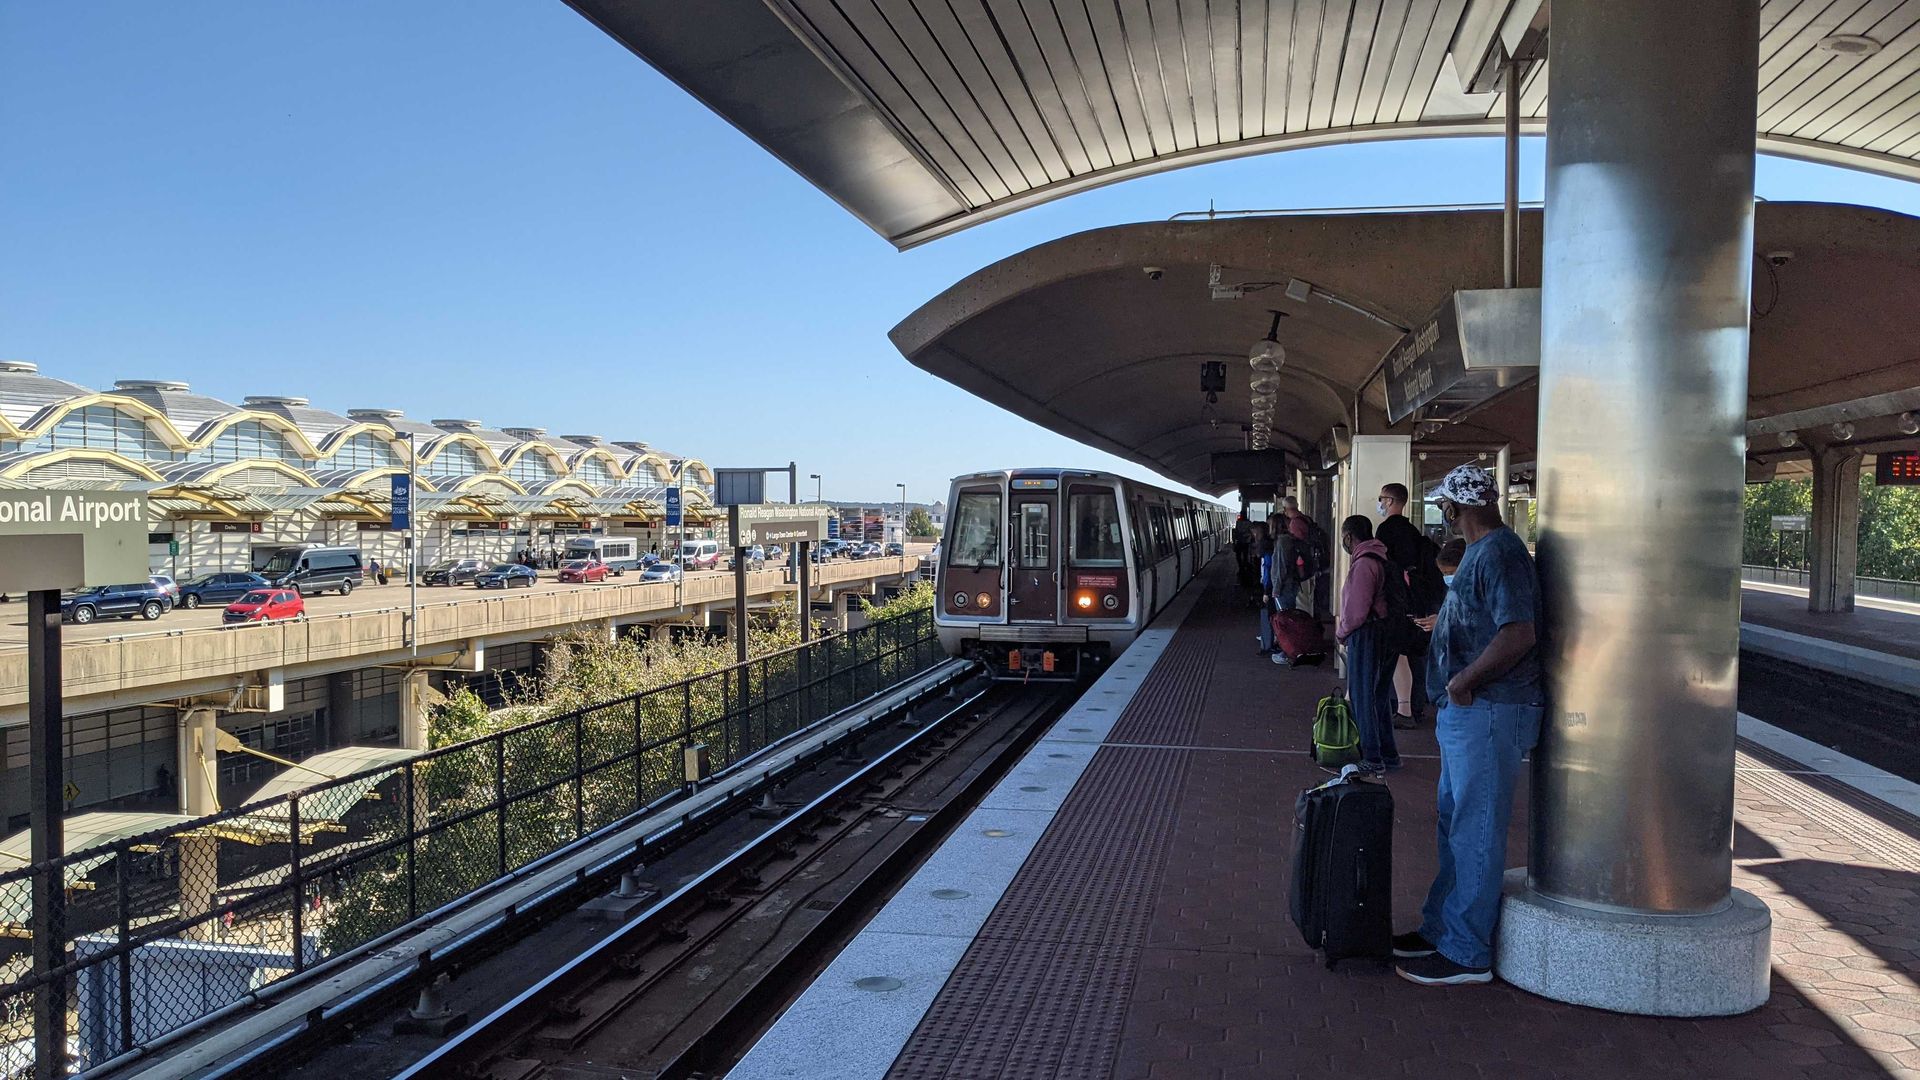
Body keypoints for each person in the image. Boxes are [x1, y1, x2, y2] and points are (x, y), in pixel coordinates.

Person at [1394, 464, 1543, 988]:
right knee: (1455, 822)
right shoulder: (1489, 553)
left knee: (1475, 827)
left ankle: (1467, 951)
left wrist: (1464, 682)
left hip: (1489, 708)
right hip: (1472, 713)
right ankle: (1443, 928)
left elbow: (1518, 633)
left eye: (1444, 507)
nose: (1443, 514)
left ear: (1456, 509)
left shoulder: (1499, 553)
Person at [1333, 515, 1401, 775]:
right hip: (1387, 633)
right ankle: (1389, 754)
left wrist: (1342, 632)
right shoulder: (1382, 557)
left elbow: (1357, 610)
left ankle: (1372, 757)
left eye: (1344, 536)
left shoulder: (1363, 564)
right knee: (1379, 696)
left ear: (1349, 536)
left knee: (1362, 696)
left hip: (1368, 634)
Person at [1377, 483, 1441, 729]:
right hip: (1419, 598)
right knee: (1416, 653)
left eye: (1382, 499)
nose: (1380, 503)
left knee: (1398, 652)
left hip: (1398, 600)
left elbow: (1386, 568)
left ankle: (1402, 708)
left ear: (1391, 501)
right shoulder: (1413, 531)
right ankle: (1417, 705)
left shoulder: (1386, 530)